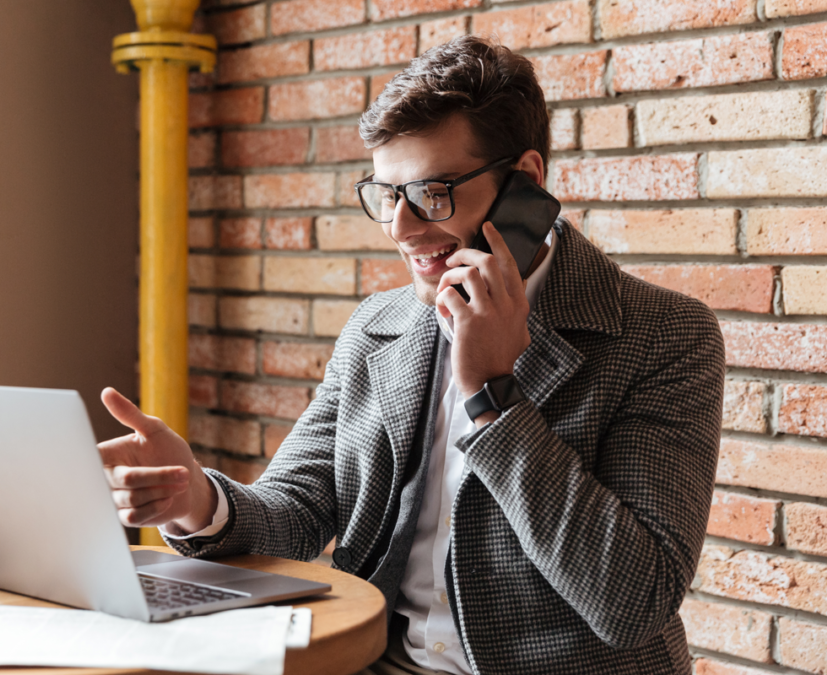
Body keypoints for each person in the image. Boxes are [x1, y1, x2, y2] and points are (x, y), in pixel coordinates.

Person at [97, 36, 725, 675]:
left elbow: (633, 603)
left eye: (431, 191)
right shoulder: (379, 327)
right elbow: (298, 508)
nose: (400, 226)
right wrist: (195, 499)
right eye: (386, 193)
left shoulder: (663, 336)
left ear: (525, 184)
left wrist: (492, 394)